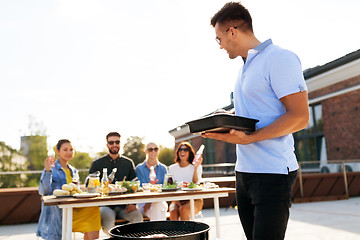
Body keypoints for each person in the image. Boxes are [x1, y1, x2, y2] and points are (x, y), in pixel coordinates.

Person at [203, 2, 310, 240]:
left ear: (232, 31)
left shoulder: (279, 58)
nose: (219, 46)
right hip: (244, 173)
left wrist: (250, 138)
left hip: (272, 173)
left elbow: (300, 117)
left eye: (218, 39)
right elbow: (257, 114)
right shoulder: (244, 68)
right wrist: (227, 119)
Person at [36, 139, 101, 240]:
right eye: (65, 149)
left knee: (93, 209)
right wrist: (47, 171)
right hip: (59, 212)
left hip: (74, 208)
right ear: (58, 152)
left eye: (71, 149)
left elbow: (76, 191)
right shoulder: (51, 169)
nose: (69, 152)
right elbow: (43, 192)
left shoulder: (74, 171)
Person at [89, 132, 143, 234]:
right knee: (109, 223)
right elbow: (91, 188)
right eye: (111, 142)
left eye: (117, 142)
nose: (114, 144)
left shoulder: (128, 163)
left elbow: (135, 185)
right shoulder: (97, 164)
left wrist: (133, 203)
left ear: (120, 143)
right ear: (107, 145)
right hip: (105, 206)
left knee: (138, 217)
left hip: (125, 205)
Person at [168, 142, 203, 221]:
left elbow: (195, 183)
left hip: (195, 199)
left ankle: (187, 233)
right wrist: (177, 200)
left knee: (183, 209)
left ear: (189, 152)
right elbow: (171, 186)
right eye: (180, 149)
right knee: (173, 210)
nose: (182, 151)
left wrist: (196, 168)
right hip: (177, 199)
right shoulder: (172, 168)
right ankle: (175, 233)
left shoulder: (197, 167)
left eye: (185, 149)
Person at [135, 142, 168, 220]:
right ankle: (160, 231)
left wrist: (150, 202)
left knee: (157, 205)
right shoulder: (139, 168)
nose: (153, 152)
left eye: (155, 149)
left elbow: (165, 187)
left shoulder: (163, 168)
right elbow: (140, 188)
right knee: (159, 210)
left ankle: (156, 231)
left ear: (158, 151)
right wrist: (148, 201)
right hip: (143, 202)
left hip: (160, 200)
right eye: (150, 149)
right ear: (146, 151)